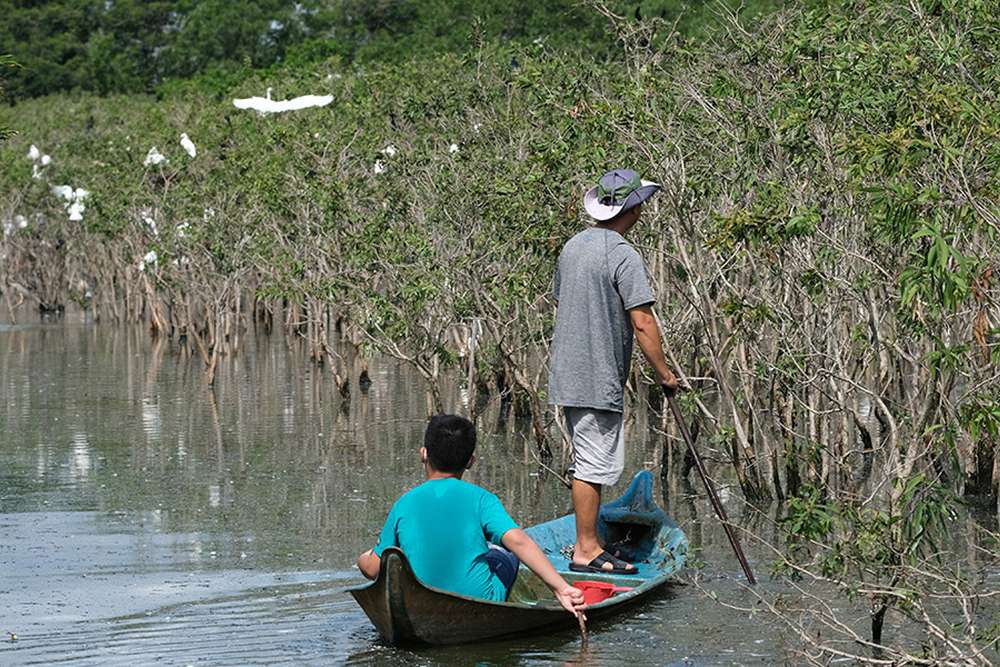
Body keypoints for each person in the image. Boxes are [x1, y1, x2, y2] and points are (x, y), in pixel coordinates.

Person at [548, 168, 680, 575]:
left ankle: (591, 542)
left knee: (591, 458)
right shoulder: (622, 254)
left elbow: (561, 301)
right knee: (592, 463)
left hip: (567, 373)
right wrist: (665, 375)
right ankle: (586, 549)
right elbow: (642, 321)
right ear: (633, 208)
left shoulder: (572, 247)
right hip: (595, 375)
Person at [356, 414, 586, 617]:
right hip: (482, 600)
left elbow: (372, 569)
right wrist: (560, 588)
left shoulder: (404, 503)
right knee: (503, 553)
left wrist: (363, 558)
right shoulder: (482, 499)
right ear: (470, 462)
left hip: (417, 602)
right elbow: (518, 541)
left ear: (423, 454)